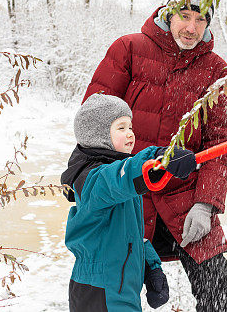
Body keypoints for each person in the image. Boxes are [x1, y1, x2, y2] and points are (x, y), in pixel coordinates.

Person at [83, 0, 227, 312]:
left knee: (222, 298)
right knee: (107, 297)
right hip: (129, 196)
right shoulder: (129, 49)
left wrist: (206, 204)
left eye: (201, 18)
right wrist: (107, 183)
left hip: (185, 198)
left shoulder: (216, 70)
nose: (191, 27)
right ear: (168, 13)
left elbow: (221, 142)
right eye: (185, 15)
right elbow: (95, 121)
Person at [61, 93, 197, 311]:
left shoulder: (122, 181)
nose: (130, 134)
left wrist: (151, 267)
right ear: (99, 135)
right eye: (121, 128)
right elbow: (118, 178)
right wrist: (160, 157)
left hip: (120, 289)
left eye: (131, 127)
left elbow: (129, 236)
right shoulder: (91, 180)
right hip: (99, 292)